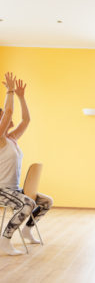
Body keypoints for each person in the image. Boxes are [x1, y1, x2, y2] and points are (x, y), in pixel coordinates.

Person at [0, 73, 53, 255]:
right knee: (28, 204)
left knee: (46, 202)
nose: (6, 119)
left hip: (13, 190)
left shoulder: (11, 138)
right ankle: (5, 240)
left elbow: (26, 120)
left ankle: (27, 230)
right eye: (2, 118)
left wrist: (22, 97)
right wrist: (10, 91)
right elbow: (8, 112)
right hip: (1, 190)